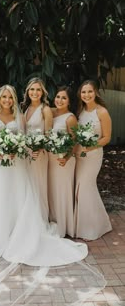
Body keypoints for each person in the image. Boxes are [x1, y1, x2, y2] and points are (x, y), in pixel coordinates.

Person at [0, 85, 87, 265]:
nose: (7, 100)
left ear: (14, 99)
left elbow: (23, 137)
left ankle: (15, 232)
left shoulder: (18, 116)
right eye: (4, 97)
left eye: (10, 97)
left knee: (14, 196)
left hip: (15, 163)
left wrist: (19, 149)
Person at [74, 80, 112, 240]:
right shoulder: (80, 111)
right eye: (83, 92)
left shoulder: (102, 112)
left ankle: (91, 228)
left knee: (85, 187)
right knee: (79, 187)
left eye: (90, 91)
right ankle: (97, 222)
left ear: (95, 92)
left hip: (93, 154)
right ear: (80, 94)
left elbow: (107, 137)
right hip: (79, 155)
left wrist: (91, 146)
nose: (87, 95)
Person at [21, 77, 53, 220]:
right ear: (28, 92)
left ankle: (40, 220)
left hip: (38, 154)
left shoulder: (45, 110)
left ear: (43, 92)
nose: (35, 92)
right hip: (25, 154)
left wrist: (39, 148)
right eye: (32, 89)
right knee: (26, 187)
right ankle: (28, 220)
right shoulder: (24, 108)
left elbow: (49, 135)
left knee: (38, 186)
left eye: (38, 89)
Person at [48, 86, 77, 237]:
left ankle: (64, 227)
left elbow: (74, 142)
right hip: (50, 160)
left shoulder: (70, 118)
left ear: (69, 101)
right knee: (52, 191)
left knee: (62, 191)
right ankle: (53, 222)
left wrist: (66, 158)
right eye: (58, 97)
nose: (60, 100)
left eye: (64, 98)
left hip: (63, 160)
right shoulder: (51, 112)